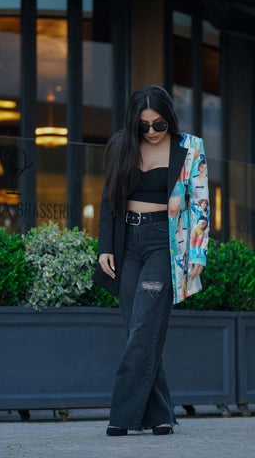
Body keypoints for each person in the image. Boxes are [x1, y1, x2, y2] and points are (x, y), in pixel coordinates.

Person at [93, 85, 210, 436]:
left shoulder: (190, 148)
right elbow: (108, 198)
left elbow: (200, 203)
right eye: (144, 126)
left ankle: (122, 415)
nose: (152, 132)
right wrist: (104, 247)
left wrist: (198, 253)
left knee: (144, 327)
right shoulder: (120, 146)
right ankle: (160, 414)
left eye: (158, 124)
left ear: (169, 118)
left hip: (165, 243)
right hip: (126, 240)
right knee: (137, 330)